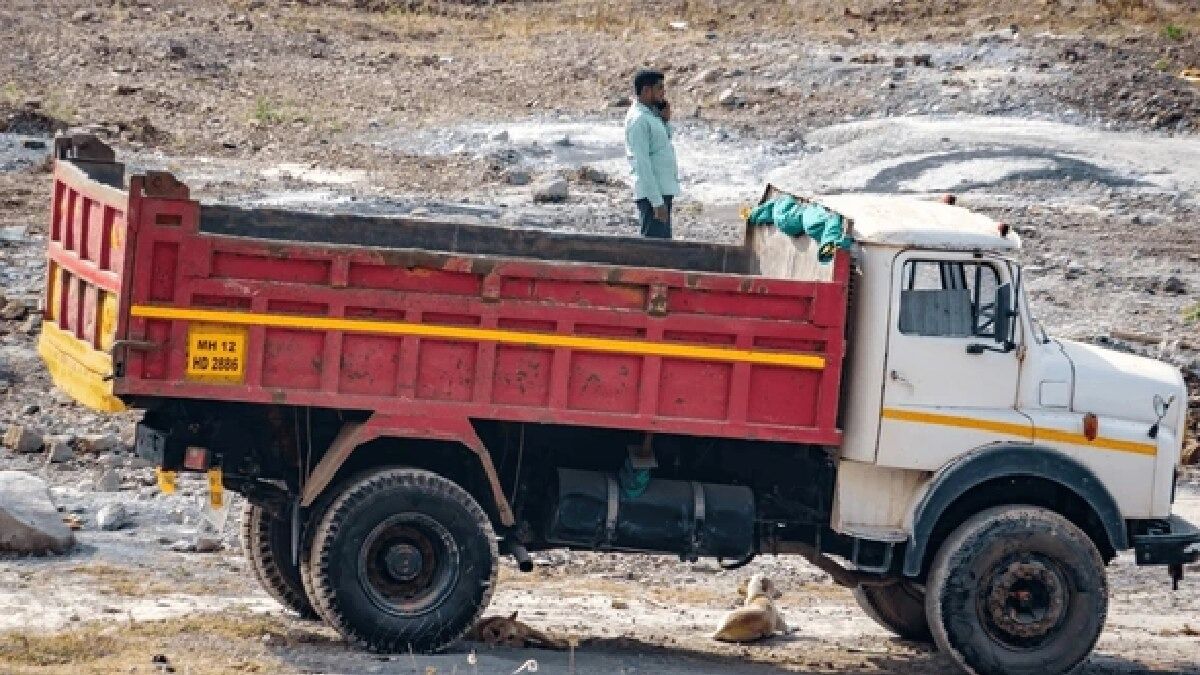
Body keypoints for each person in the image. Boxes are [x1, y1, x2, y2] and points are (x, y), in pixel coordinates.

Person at [625, 70, 680, 239]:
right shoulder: (639, 120)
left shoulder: (651, 115)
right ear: (646, 91)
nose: (663, 92)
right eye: (659, 88)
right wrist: (656, 202)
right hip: (652, 196)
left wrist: (665, 120)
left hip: (661, 192)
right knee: (654, 251)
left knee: (663, 249)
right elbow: (642, 164)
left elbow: (662, 142)